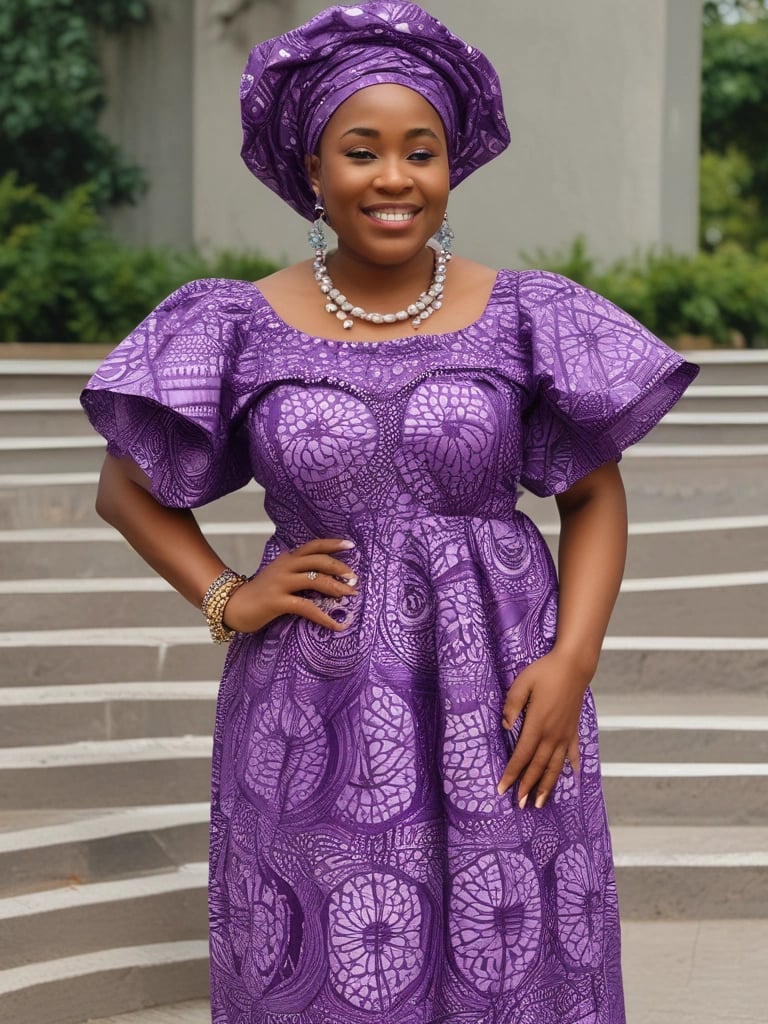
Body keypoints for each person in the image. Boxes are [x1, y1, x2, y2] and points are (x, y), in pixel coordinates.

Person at [81, 3, 698, 1022]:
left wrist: (574, 658)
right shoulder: (235, 322)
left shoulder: (524, 314)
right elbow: (126, 488)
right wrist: (228, 594)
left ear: (451, 169)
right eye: (360, 151)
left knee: (516, 948)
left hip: (500, 691)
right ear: (313, 171)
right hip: (311, 706)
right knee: (329, 952)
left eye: (423, 151)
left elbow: (592, 490)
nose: (394, 177)